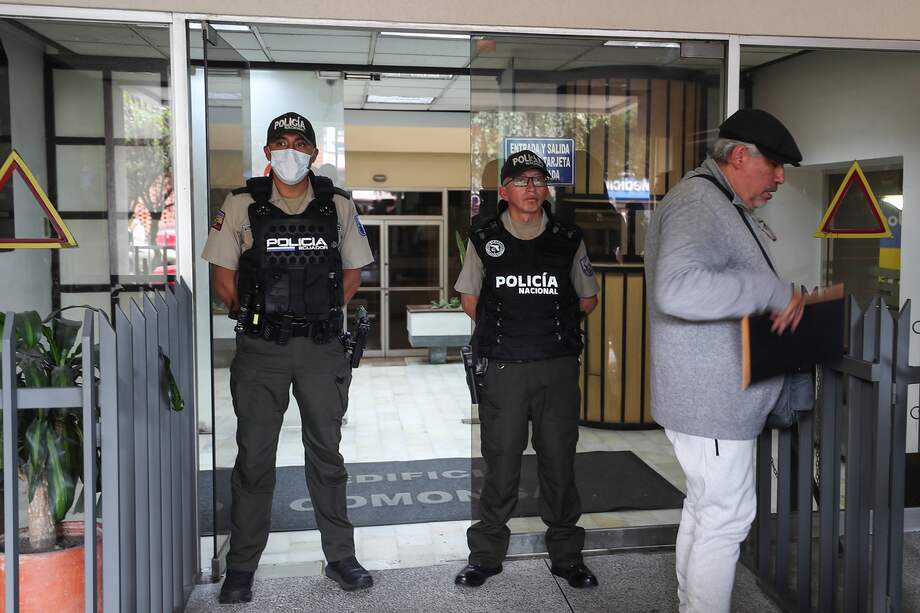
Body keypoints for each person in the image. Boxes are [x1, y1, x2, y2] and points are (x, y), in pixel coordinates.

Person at [202, 112, 375, 603]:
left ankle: (340, 558)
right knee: (254, 460)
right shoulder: (240, 204)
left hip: (320, 350)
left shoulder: (336, 205)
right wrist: (262, 317)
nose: (290, 150)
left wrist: (315, 313)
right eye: (281, 142)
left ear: (314, 154)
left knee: (327, 456)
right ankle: (241, 567)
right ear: (267, 153)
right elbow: (224, 280)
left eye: (300, 143)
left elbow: (350, 274)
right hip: (262, 352)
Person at [644, 108, 806, 613]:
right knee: (727, 519)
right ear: (740, 156)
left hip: (707, 398)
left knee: (707, 510)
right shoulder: (700, 201)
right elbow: (676, 289)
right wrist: (769, 291)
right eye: (774, 164)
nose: (780, 177)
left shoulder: (713, 199)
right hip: (711, 399)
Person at [454, 149, 600, 589]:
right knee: (500, 464)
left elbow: (588, 298)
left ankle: (567, 557)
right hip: (504, 369)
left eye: (538, 180)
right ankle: (485, 556)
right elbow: (470, 301)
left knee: (559, 463)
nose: (532, 188)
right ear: (504, 191)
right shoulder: (484, 238)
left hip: (555, 369)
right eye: (522, 181)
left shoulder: (567, 237)